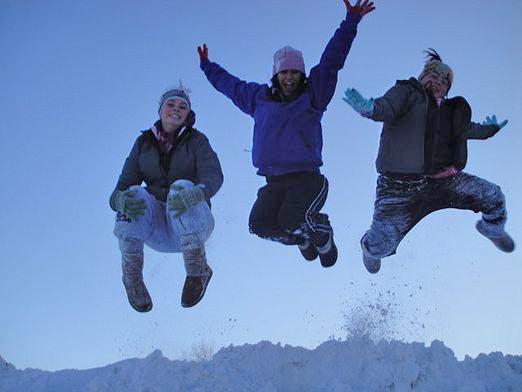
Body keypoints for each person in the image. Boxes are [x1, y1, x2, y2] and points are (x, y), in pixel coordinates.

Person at [197, 0, 375, 268]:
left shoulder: (313, 94)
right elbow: (230, 86)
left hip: (307, 180)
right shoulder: (258, 98)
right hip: (274, 182)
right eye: (284, 72)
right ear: (276, 74)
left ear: (301, 74)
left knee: (293, 218)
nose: (289, 77)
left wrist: (351, 22)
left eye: (294, 72)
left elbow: (331, 61)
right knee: (260, 225)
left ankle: (322, 232)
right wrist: (208, 67)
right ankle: (301, 240)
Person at [342, 49, 515, 274]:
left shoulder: (451, 112)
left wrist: (490, 129)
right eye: (433, 75)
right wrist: (370, 108)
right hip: (399, 188)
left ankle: (492, 229)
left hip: (444, 182)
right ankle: (370, 249)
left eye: (444, 81)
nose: (438, 82)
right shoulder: (407, 94)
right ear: (423, 76)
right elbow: (386, 107)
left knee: (493, 196)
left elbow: (468, 130)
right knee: (379, 245)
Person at [109, 86, 223, 311]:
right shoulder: (143, 143)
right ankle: (132, 278)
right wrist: (119, 200)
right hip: (157, 229)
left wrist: (198, 193)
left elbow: (214, 175)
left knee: (180, 188)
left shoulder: (197, 141)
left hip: (193, 223)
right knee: (133, 193)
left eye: (182, 107)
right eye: (171, 104)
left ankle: (198, 271)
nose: (176, 110)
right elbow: (118, 191)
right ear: (161, 110)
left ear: (187, 114)